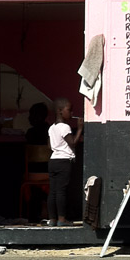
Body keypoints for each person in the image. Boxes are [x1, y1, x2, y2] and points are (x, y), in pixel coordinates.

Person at [47, 97, 83, 226]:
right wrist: (79, 128)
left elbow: (49, 146)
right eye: (69, 110)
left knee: (53, 191)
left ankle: (52, 219)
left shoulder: (52, 128)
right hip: (64, 162)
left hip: (53, 161)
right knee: (61, 191)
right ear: (60, 111)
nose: (72, 113)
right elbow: (72, 143)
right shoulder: (65, 127)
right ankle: (62, 219)